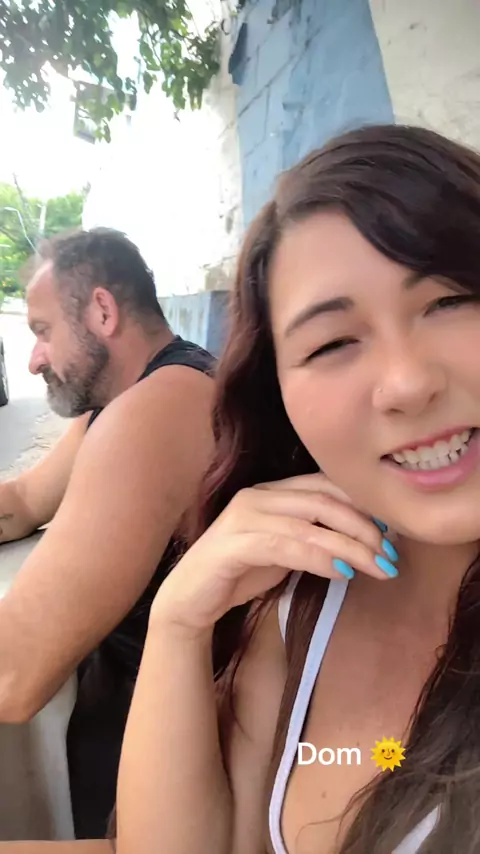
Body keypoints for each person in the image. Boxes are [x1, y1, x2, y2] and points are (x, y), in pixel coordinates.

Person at [116, 124, 480, 854]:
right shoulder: (302, 606)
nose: (407, 383)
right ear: (278, 397)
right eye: (334, 343)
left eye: (452, 301)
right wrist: (178, 623)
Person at [0, 228, 215, 839]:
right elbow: (23, 502)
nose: (34, 359)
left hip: (171, 748)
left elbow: (13, 673)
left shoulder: (160, 408)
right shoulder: (125, 399)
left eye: (43, 331)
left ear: (102, 311)